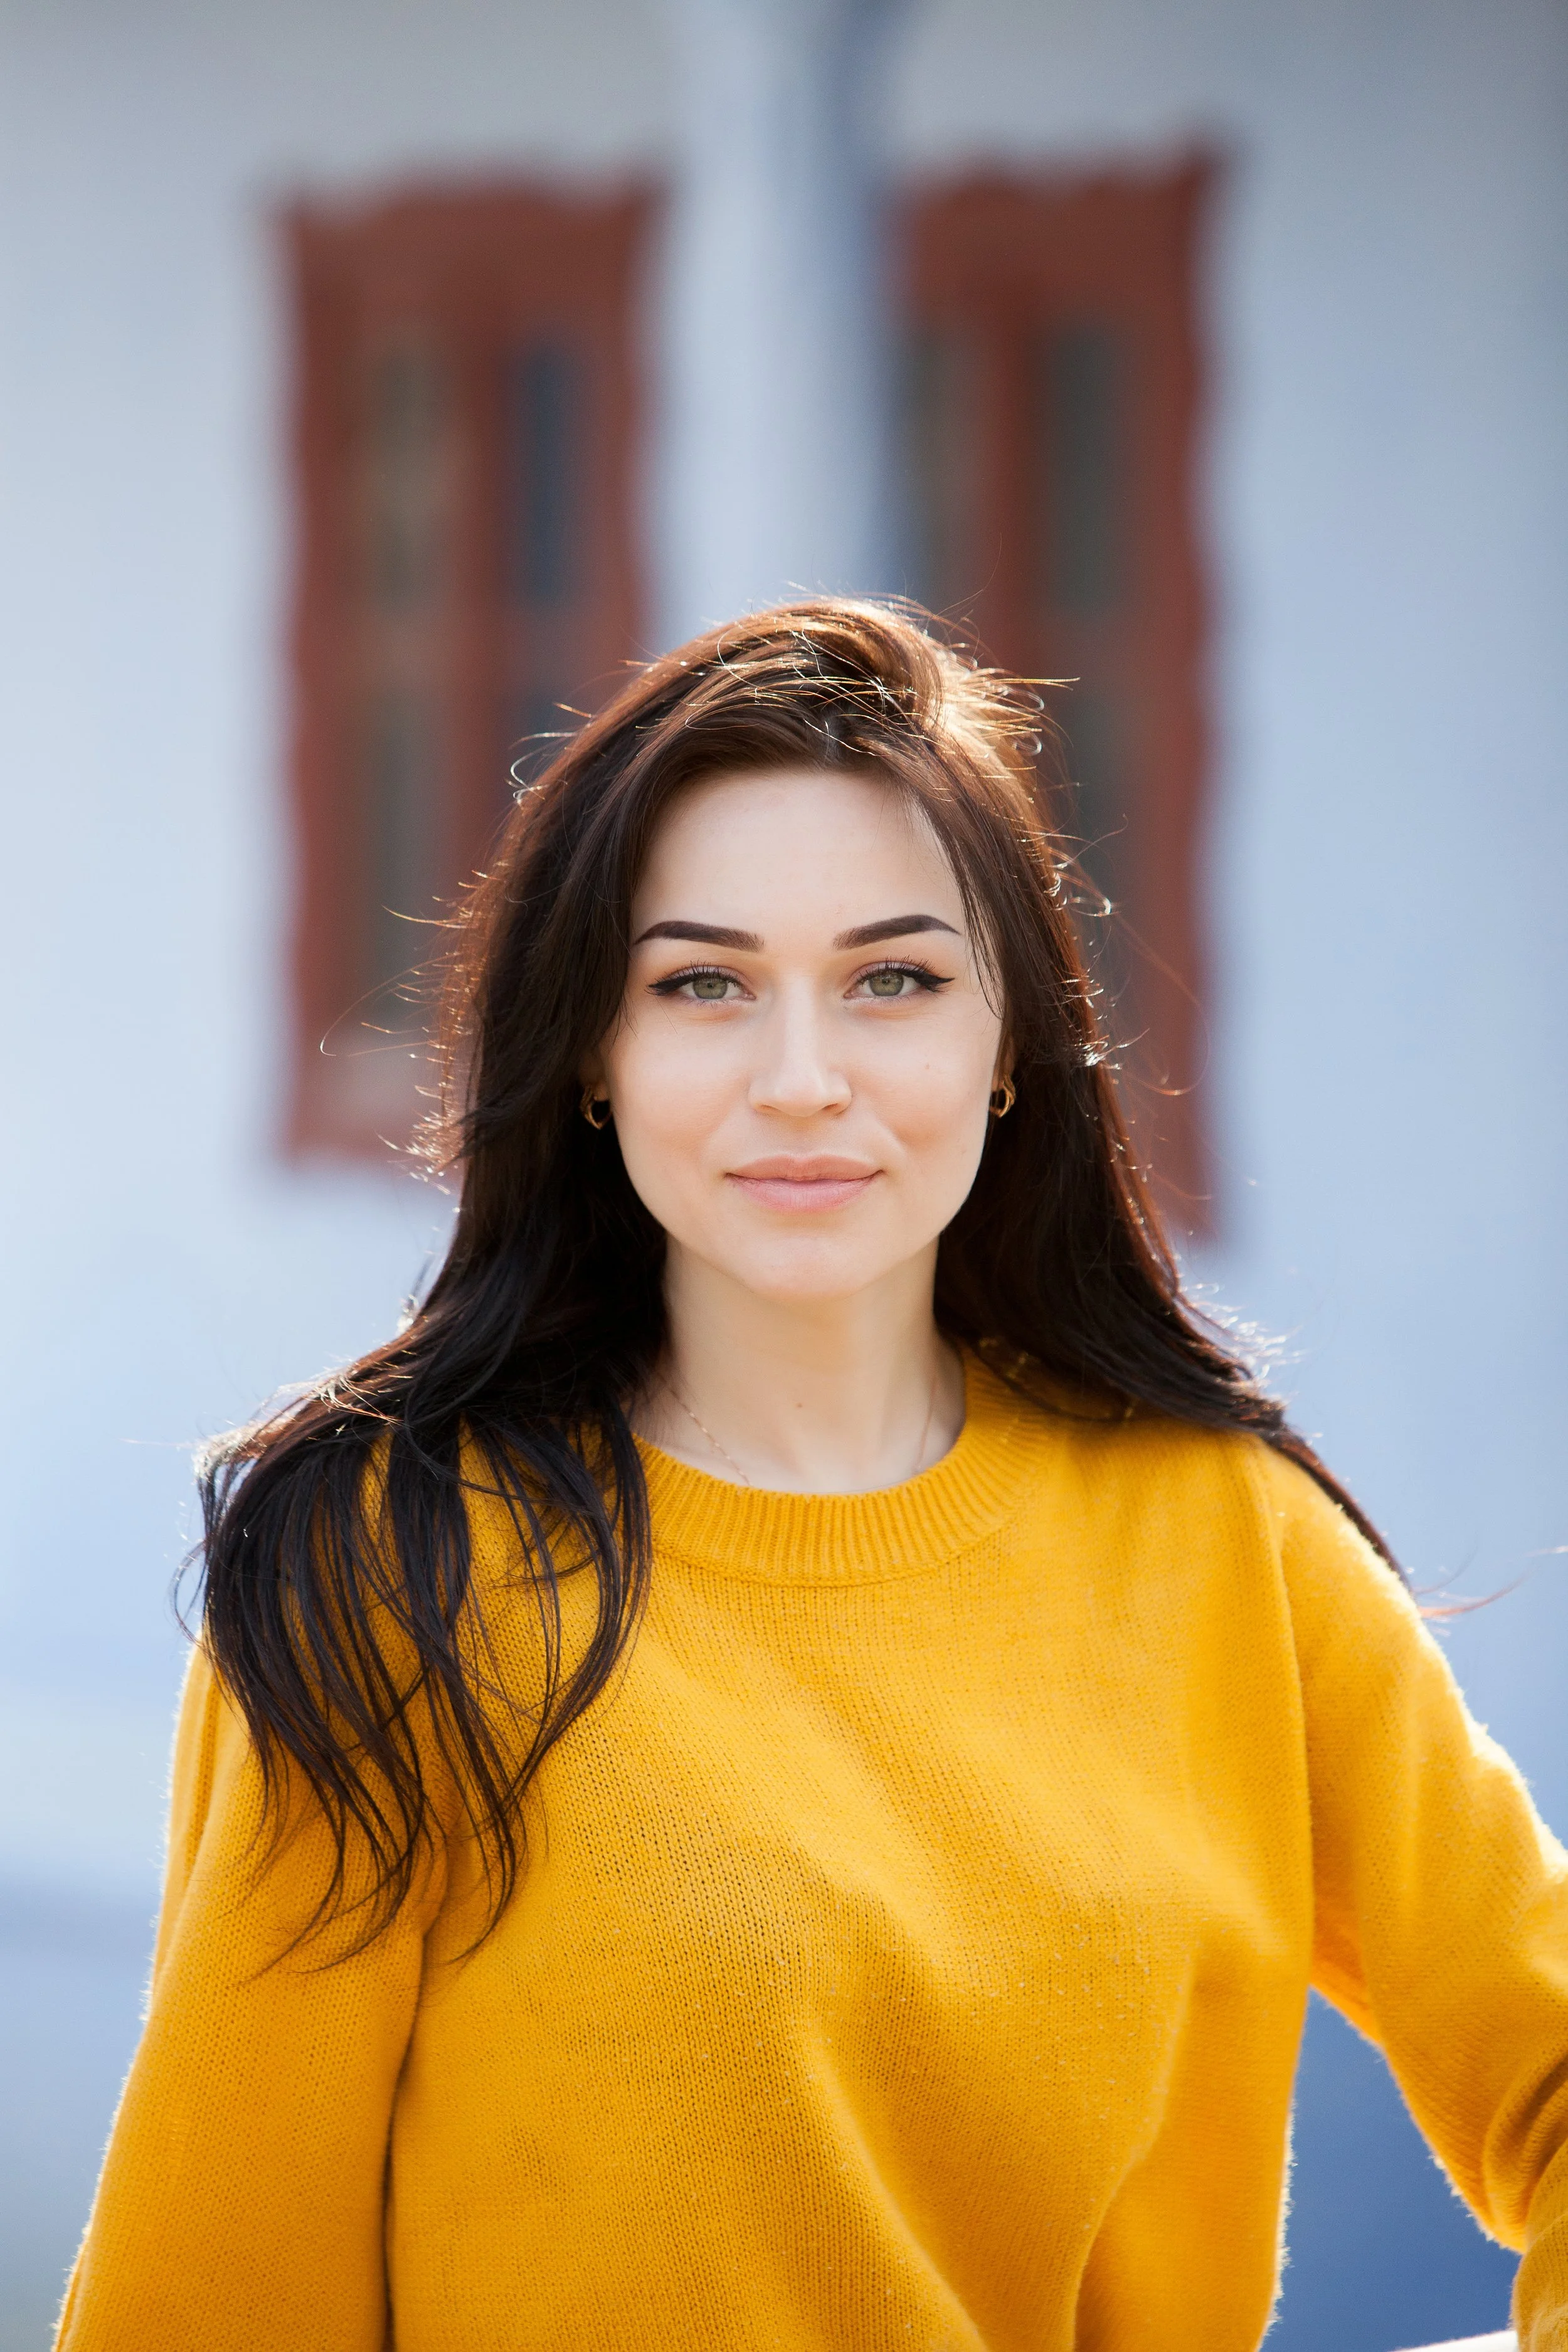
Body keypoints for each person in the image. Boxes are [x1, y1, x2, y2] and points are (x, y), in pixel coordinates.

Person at [56, 602, 1568, 2351]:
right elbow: (205, 2301)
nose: (800, 1082)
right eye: (701, 984)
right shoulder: (389, 1568)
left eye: (891, 981)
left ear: (1009, 1045)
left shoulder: (1226, 1538)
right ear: (596, 1057)